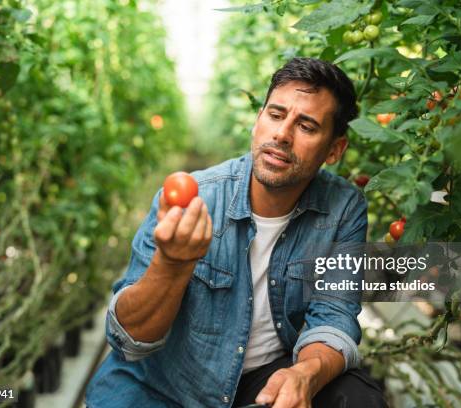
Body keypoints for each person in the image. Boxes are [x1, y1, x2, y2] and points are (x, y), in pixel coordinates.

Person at [86, 57, 387, 408]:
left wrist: (305, 373)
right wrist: (171, 265)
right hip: (164, 387)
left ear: (334, 150)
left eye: (306, 126)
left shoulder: (343, 207)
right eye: (275, 115)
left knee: (355, 396)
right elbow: (129, 340)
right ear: (258, 120)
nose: (282, 135)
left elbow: (334, 314)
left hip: (258, 384)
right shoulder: (195, 198)